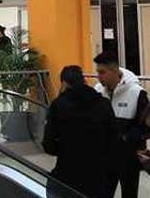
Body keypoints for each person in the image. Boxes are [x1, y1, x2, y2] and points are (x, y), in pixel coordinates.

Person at [43, 65, 119, 198]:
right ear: (83, 80)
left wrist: (65, 149)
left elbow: (48, 144)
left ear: (64, 83)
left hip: (68, 174)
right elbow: (114, 138)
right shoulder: (103, 104)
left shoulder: (58, 105)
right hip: (98, 176)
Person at [95, 51, 149, 198]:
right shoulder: (98, 91)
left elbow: (147, 128)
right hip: (104, 157)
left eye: (102, 72)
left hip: (128, 158)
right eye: (97, 72)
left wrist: (126, 138)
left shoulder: (136, 93)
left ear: (114, 70)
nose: (99, 77)